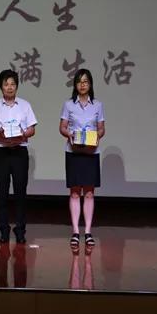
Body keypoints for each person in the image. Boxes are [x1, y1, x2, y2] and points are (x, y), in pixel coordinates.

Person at [0, 69, 37, 244]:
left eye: (12, 84)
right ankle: (4, 230)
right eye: (6, 84)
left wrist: (23, 133)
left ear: (17, 86)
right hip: (1, 152)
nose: (9, 87)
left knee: (20, 192)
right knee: (2, 193)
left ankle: (20, 230)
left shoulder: (25, 105)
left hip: (20, 152)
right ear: (1, 86)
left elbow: (32, 129)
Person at [59, 68, 105, 248]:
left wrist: (96, 135)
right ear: (75, 85)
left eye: (85, 81)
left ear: (90, 84)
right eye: (79, 81)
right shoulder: (69, 105)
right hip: (74, 151)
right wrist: (69, 134)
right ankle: (75, 232)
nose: (82, 84)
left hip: (91, 152)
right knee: (75, 192)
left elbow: (101, 128)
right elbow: (62, 127)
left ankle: (88, 231)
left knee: (90, 193)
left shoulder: (98, 105)